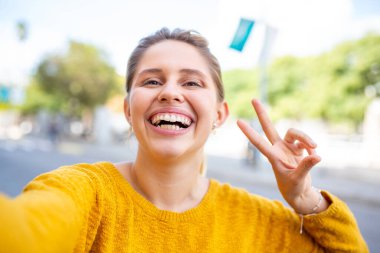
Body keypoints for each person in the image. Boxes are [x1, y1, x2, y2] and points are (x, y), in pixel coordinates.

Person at [0, 28, 368, 253]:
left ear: (219, 114)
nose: (170, 92)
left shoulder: (258, 219)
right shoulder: (83, 192)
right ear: (129, 110)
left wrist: (307, 201)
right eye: (151, 81)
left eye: (191, 82)